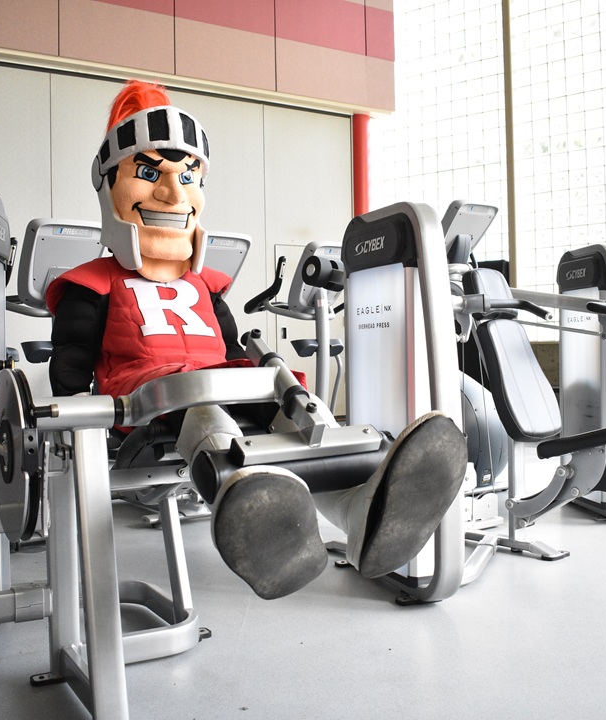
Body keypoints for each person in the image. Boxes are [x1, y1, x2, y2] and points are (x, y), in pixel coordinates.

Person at [46, 80, 466, 600]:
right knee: (207, 417)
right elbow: (70, 366)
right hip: (151, 412)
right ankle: (252, 509)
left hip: (229, 391)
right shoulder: (92, 283)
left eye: (188, 176)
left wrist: (272, 374)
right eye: (150, 173)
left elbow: (230, 346)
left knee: (298, 411)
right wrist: (75, 420)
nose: (174, 195)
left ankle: (364, 513)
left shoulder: (204, 284)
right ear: (109, 186)